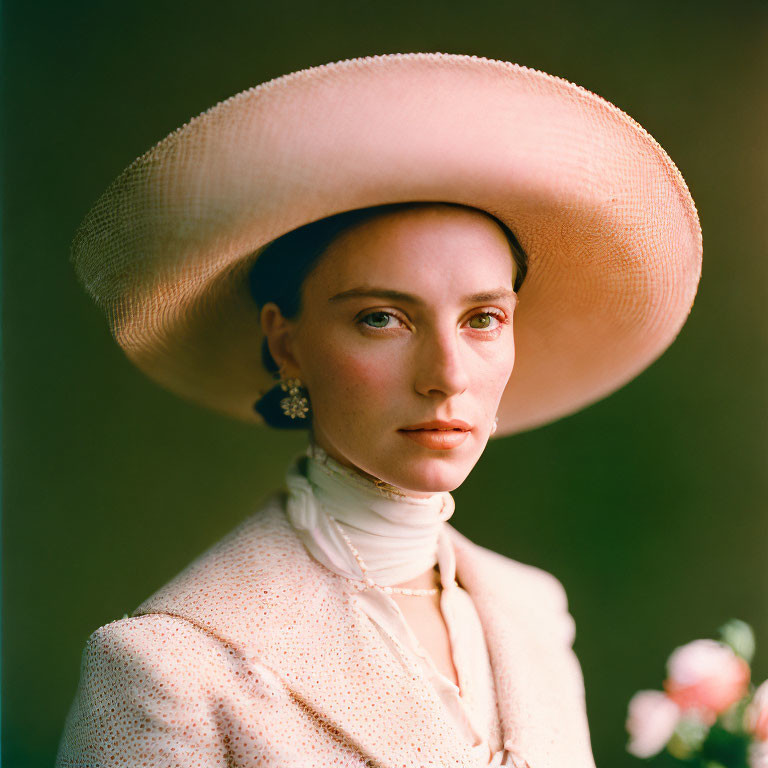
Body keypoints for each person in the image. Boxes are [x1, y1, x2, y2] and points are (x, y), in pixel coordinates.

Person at [56, 53, 702, 767]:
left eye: (483, 318)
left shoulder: (532, 612)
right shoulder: (170, 666)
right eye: (382, 319)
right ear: (287, 342)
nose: (447, 374)